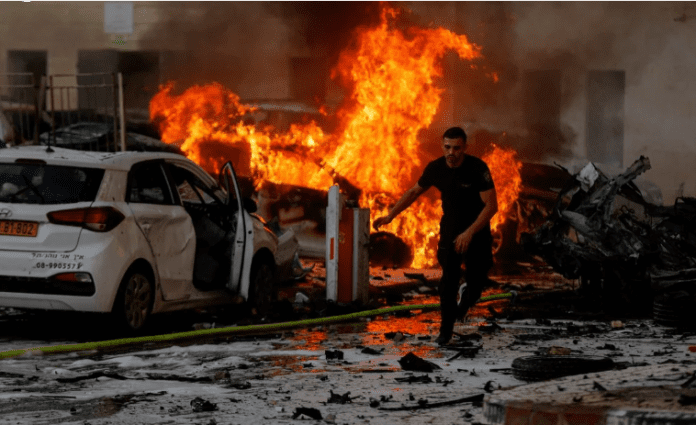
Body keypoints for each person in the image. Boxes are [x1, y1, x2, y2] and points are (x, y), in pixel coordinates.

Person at [373, 126, 498, 345]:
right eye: (447, 147)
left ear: (465, 148)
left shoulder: (477, 169)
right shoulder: (436, 168)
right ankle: (445, 331)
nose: (451, 153)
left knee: (478, 280)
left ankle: (467, 298)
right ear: (442, 146)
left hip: (477, 232)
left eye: (457, 148)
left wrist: (469, 233)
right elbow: (413, 192)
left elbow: (491, 206)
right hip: (450, 230)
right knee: (447, 282)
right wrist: (390, 215)